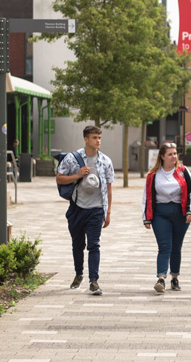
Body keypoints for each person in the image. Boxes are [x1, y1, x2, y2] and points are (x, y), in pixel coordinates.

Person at [57, 126, 115, 296]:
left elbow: (109, 188)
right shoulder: (72, 159)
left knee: (94, 245)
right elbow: (59, 178)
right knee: (77, 245)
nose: (98, 141)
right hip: (77, 208)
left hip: (96, 209)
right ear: (86, 139)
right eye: (94, 137)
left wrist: (108, 212)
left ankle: (94, 281)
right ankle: (78, 274)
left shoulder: (105, 161)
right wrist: (77, 175)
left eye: (99, 138)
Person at [142, 142, 191, 293]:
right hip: (160, 213)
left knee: (176, 246)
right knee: (165, 246)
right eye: (170, 154)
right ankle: (161, 279)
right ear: (162, 156)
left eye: (175, 153)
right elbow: (146, 196)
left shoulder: (183, 171)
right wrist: (146, 217)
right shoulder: (153, 175)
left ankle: (175, 277)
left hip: (180, 213)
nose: (174, 156)